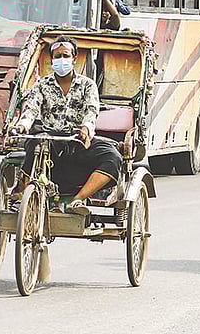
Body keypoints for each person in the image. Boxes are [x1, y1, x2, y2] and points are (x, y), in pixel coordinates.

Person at [9, 39, 122, 214]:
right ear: (52, 59)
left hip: (78, 138)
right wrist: (22, 125)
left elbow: (91, 111)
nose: (62, 60)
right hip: (51, 138)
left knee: (112, 156)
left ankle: (77, 201)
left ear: (74, 58)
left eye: (65, 56)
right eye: (58, 56)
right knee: (34, 145)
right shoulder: (41, 86)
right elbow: (31, 109)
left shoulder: (87, 85)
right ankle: (22, 194)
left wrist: (86, 129)